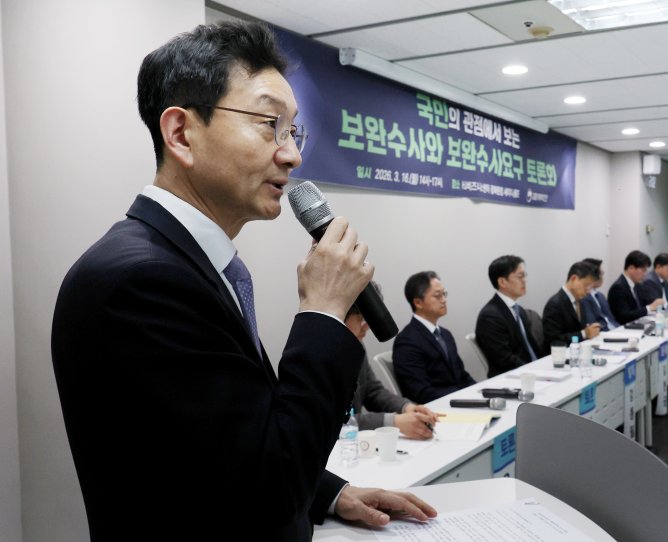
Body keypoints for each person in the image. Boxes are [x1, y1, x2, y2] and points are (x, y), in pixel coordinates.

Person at [50, 21, 434, 542]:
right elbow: (263, 493)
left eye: (293, 131)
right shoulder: (140, 281)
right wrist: (323, 314)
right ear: (181, 133)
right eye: (270, 124)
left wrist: (329, 494)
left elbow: (220, 445)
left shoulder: (187, 263)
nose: (292, 154)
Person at [344, 302, 439, 439]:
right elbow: (337, 421)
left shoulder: (356, 346)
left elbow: (373, 392)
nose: (366, 326)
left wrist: (405, 407)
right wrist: (394, 422)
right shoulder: (319, 357)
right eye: (361, 319)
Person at [393, 271, 476, 403]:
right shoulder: (407, 341)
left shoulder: (445, 334)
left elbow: (462, 376)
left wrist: (479, 392)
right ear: (418, 303)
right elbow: (421, 392)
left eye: (444, 294)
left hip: (460, 400)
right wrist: (464, 395)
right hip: (437, 408)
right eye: (437, 296)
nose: (444, 300)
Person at [475, 255, 543, 378]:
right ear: (502, 282)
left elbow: (531, 347)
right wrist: (535, 373)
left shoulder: (519, 310)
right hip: (511, 378)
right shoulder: (490, 316)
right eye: (520, 276)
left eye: (525, 276)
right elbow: (504, 360)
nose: (525, 280)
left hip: (531, 372)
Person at [542, 261, 602, 353]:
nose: (588, 291)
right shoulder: (555, 305)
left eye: (591, 287)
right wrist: (584, 334)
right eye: (586, 285)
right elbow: (554, 340)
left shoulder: (581, 301)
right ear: (574, 279)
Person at [608, 250, 665, 325]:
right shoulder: (618, 288)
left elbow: (642, 306)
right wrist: (649, 308)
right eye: (643, 270)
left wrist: (655, 306)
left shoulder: (637, 286)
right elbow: (624, 316)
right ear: (631, 268)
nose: (645, 274)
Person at [580, 258, 620, 331]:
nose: (603, 275)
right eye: (600, 273)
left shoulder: (600, 296)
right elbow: (592, 324)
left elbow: (612, 320)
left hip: (615, 330)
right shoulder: (583, 298)